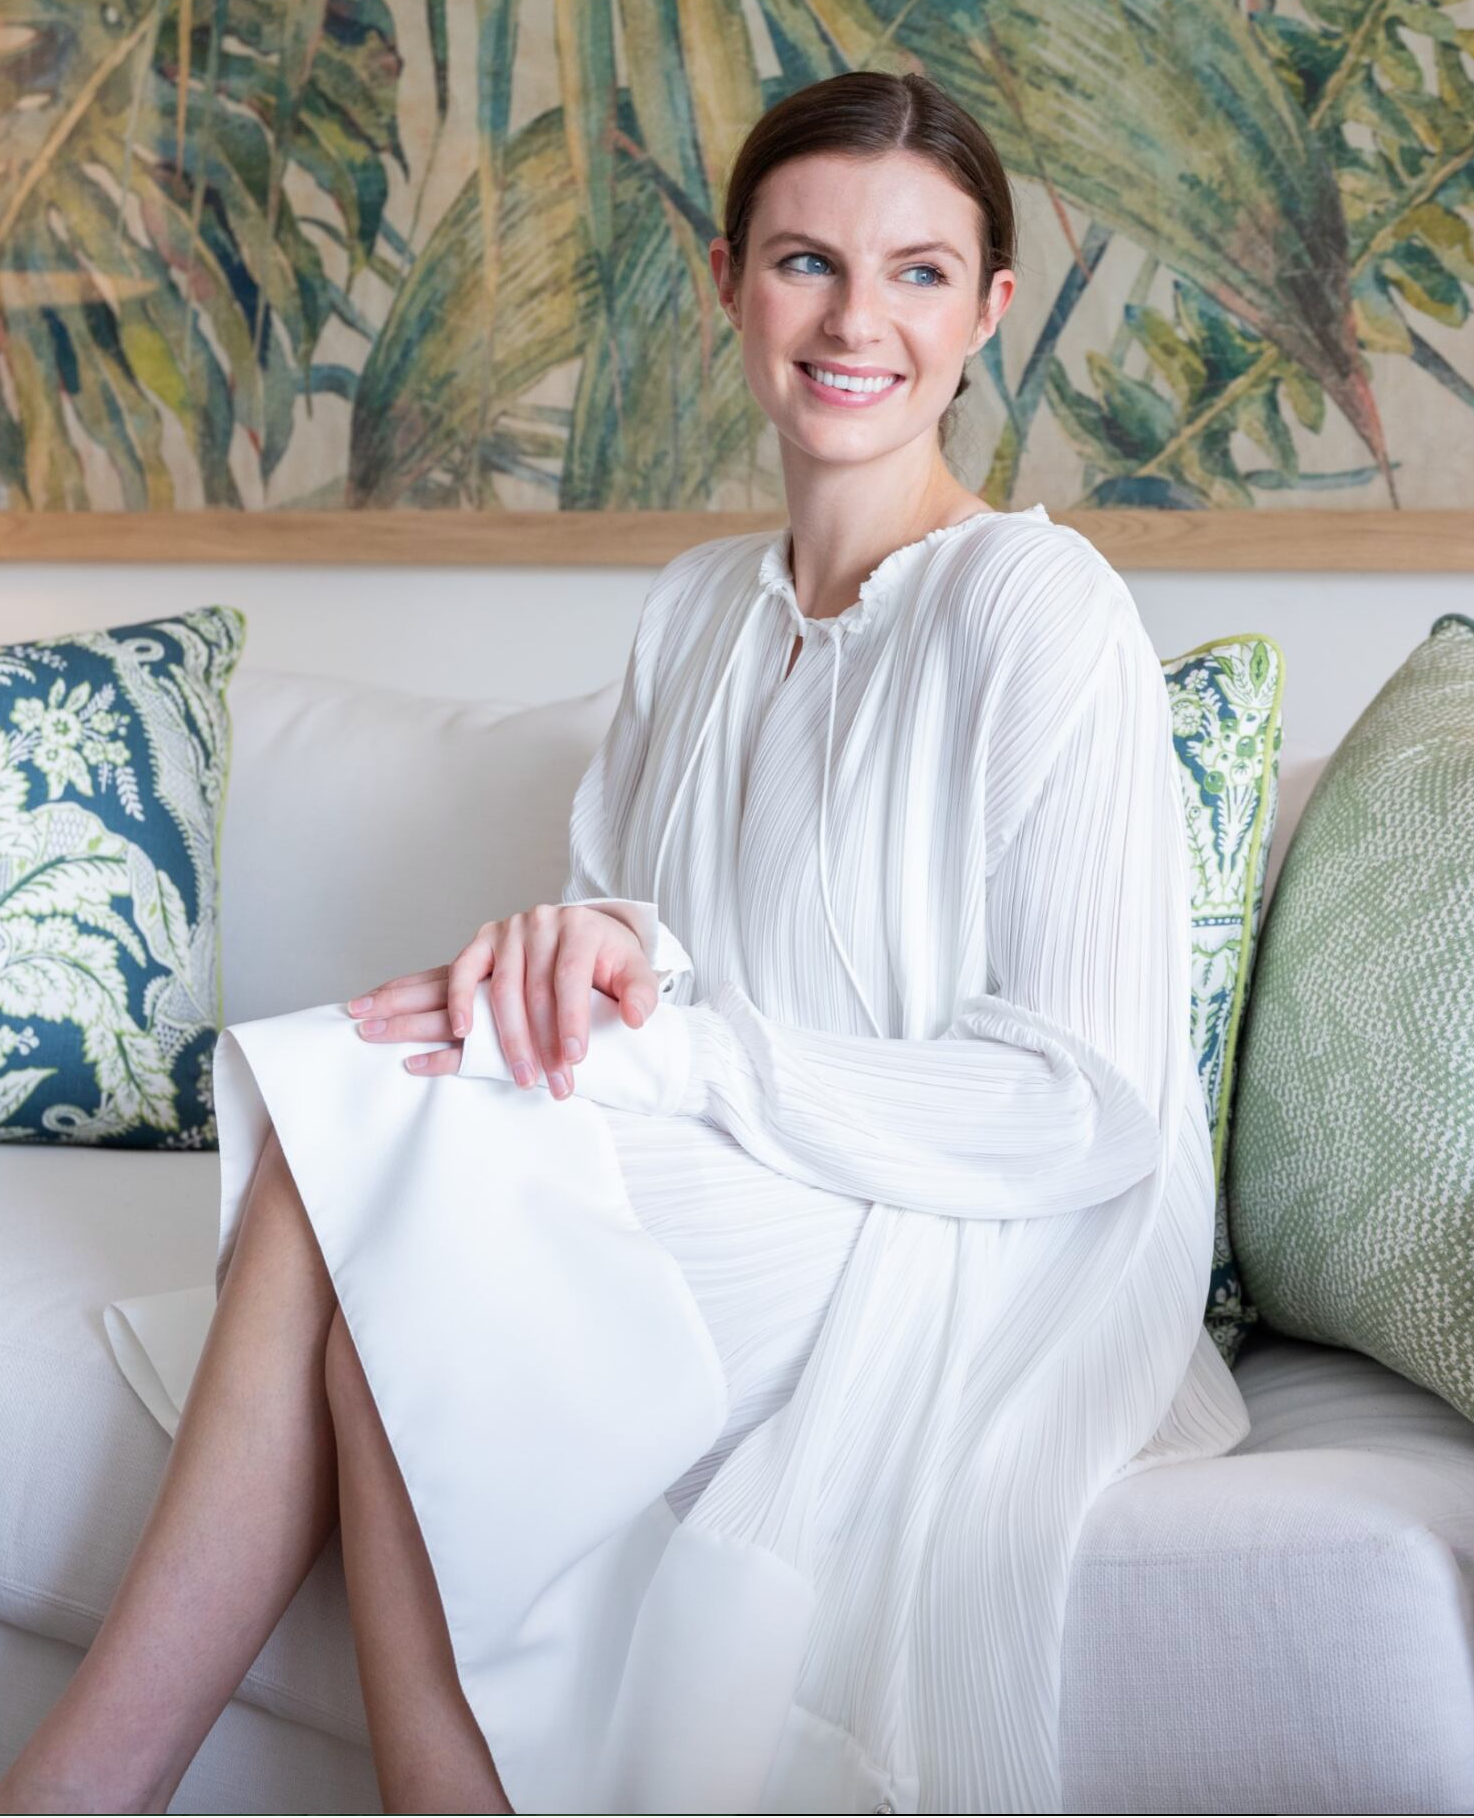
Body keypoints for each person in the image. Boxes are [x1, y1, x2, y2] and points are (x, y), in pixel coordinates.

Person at [1, 69, 1250, 1818]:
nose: (852, 319)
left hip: (964, 1223)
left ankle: (74, 1789)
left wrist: (692, 1050)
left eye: (913, 272)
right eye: (806, 261)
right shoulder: (694, 607)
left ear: (988, 312)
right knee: (364, 1124)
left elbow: (1088, 1102)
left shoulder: (1040, 612)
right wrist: (559, 963)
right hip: (734, 1151)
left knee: (363, 1186)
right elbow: (650, 945)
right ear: (728, 278)